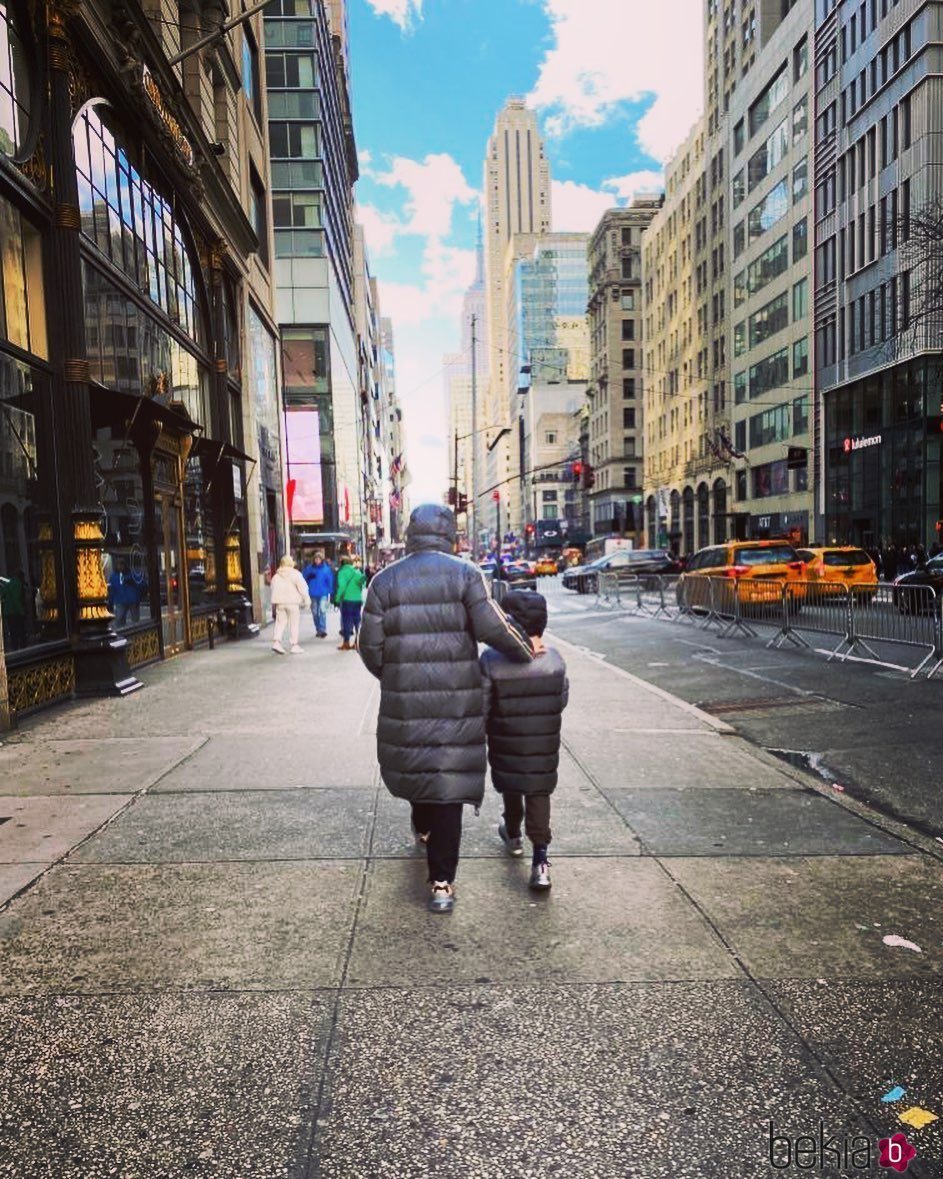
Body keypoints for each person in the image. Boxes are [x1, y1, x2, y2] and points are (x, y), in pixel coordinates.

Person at [358, 503, 534, 912]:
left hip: (406, 695)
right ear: (449, 533)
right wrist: (526, 649)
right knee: (447, 778)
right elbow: (494, 627)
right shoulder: (466, 574)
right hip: (457, 699)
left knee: (420, 763)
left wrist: (395, 675)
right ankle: (441, 884)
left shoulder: (384, 581)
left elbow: (369, 648)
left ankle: (422, 829)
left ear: (410, 534)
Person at [480, 591, 568, 892]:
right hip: (543, 744)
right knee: (537, 789)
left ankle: (514, 833)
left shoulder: (491, 660)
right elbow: (562, 700)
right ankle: (541, 860)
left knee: (511, 781)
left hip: (506, 739)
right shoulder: (555, 662)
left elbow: (483, 705)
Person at [270, 554, 309, 654]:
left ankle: (277, 642)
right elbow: (303, 587)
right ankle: (294, 645)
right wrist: (306, 599)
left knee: (280, 622)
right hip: (292, 602)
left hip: (280, 603)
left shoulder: (276, 576)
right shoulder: (295, 574)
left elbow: (272, 588)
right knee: (294, 623)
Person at [334, 555, 366, 651]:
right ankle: (358, 643)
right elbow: (363, 583)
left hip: (347, 600)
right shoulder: (356, 571)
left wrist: (337, 599)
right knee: (357, 621)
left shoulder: (342, 572)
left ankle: (346, 643)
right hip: (357, 600)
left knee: (347, 621)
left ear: (342, 563)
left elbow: (342, 587)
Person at [301, 551, 334, 638]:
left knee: (322, 611)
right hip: (312, 593)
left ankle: (322, 629)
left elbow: (330, 580)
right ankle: (318, 628)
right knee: (315, 612)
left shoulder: (326, 569)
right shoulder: (309, 569)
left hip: (323, 593)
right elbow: (303, 579)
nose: (317, 560)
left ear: (321, 560)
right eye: (316, 558)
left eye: (319, 559)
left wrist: (330, 592)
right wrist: (308, 579)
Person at [107, 559, 142, 627]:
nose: (120, 567)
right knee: (119, 619)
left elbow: (139, 584)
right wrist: (110, 602)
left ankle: (134, 632)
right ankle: (122, 633)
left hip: (131, 599)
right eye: (118, 565)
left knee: (134, 620)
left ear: (125, 565)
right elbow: (112, 589)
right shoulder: (114, 576)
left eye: (121, 565)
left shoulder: (131, 574)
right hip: (121, 600)